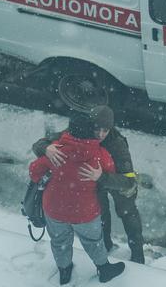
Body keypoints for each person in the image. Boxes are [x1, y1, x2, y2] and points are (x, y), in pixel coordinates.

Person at [34, 105, 146, 264]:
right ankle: (106, 246)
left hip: (115, 180)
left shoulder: (117, 144)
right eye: (97, 129)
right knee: (101, 213)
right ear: (89, 125)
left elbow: (128, 182)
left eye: (105, 130)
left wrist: (103, 176)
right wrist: (46, 148)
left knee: (128, 213)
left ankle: (138, 254)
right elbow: (40, 144)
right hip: (95, 181)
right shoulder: (81, 129)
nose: (100, 135)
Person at [29, 111, 126, 285]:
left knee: (59, 241)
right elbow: (111, 174)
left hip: (54, 209)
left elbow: (34, 172)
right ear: (91, 131)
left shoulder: (55, 150)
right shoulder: (100, 155)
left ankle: (64, 271)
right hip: (85, 213)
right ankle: (104, 269)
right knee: (93, 241)